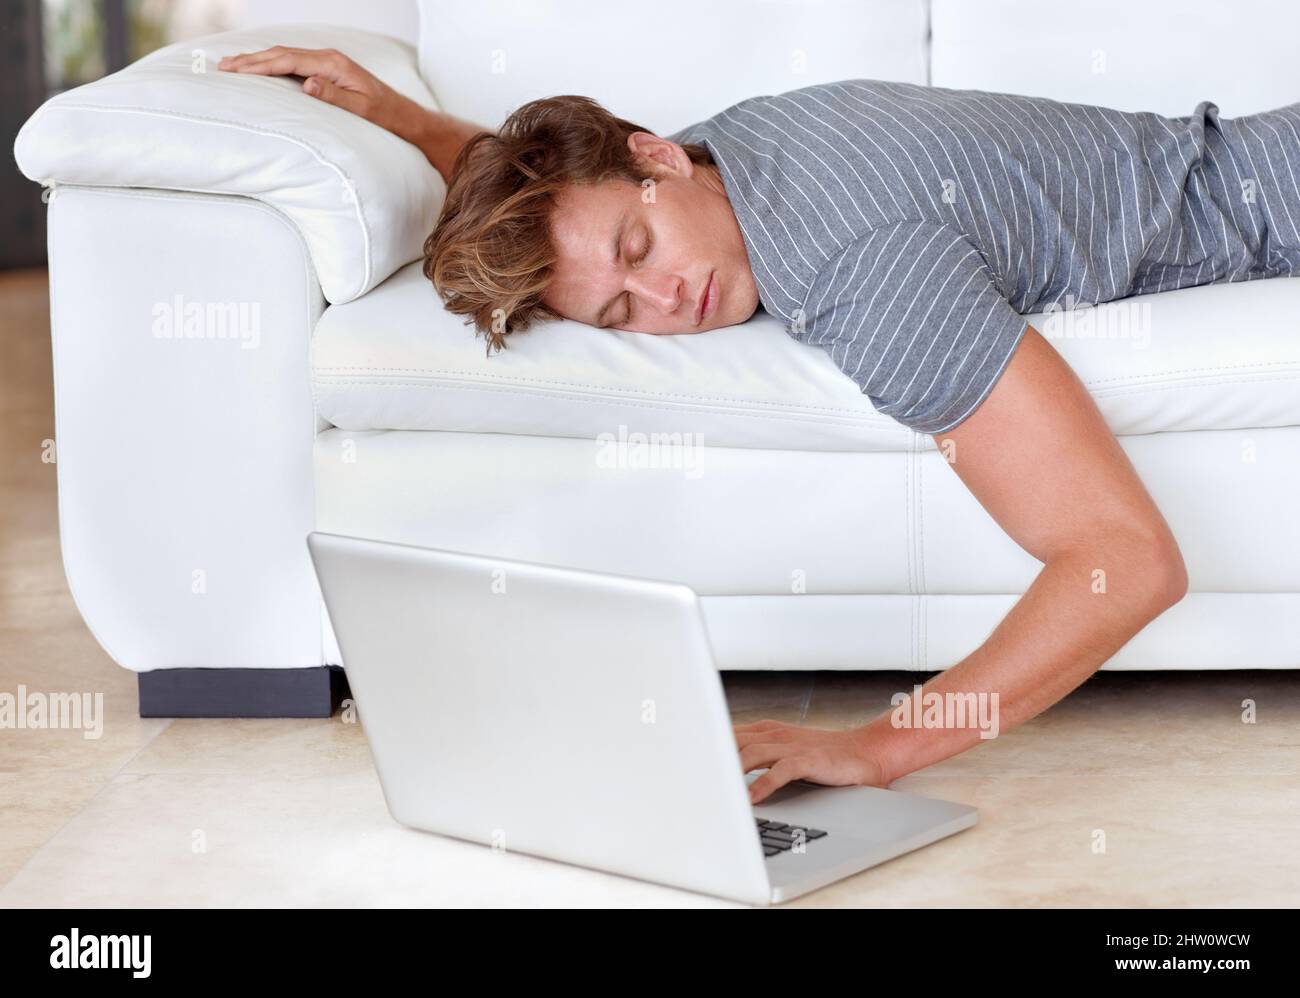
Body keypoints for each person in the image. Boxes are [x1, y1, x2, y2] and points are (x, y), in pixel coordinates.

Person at [221, 47, 1298, 803]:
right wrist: (411, 125)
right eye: (615, 313)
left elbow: (1122, 559)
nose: (664, 300)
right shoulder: (726, 156)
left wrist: (880, 747)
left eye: (641, 255)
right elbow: (576, 211)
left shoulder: (864, 273)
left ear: (658, 158)